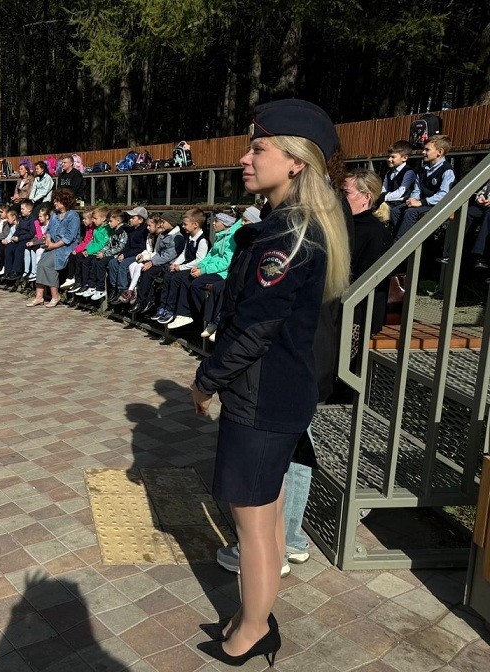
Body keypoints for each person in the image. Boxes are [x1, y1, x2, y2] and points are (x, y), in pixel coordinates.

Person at [193, 99, 349, 667]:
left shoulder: (288, 235)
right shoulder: (291, 226)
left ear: (296, 162)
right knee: (270, 512)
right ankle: (251, 615)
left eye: (258, 148)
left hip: (261, 398)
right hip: (280, 393)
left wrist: (205, 380)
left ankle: (253, 630)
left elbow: (254, 329)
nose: (245, 157)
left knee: (253, 526)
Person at [343, 169, 393, 349]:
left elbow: (362, 282)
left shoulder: (375, 233)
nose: (340, 198)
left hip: (357, 318)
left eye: (346, 193)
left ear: (366, 197)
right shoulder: (346, 225)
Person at [167, 212, 241, 330]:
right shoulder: (220, 235)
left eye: (216, 221)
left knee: (197, 285)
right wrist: (199, 266)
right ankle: (185, 314)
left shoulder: (231, 238)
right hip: (211, 269)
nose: (213, 223)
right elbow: (210, 256)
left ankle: (207, 317)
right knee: (186, 278)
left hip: (222, 273)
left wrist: (203, 270)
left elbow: (226, 263)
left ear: (226, 223)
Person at [151, 208, 209, 322]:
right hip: (186, 266)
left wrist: (180, 267)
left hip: (194, 268)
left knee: (176, 278)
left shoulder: (202, 240)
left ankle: (171, 309)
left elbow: (199, 260)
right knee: (168, 274)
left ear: (195, 225)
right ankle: (163, 306)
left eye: (185, 224)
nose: (183, 226)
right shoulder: (189, 237)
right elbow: (184, 254)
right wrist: (175, 264)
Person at [394, 134, 455, 241]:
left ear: (439, 152)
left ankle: (400, 243)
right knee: (396, 210)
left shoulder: (447, 170)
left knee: (410, 213)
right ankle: (399, 237)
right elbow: (417, 189)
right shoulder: (423, 169)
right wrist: (414, 198)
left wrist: (422, 202)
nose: (423, 152)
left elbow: (443, 195)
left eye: (427, 149)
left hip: (437, 204)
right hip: (423, 202)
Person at [26, 189, 80, 307]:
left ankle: (55, 296)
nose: (54, 203)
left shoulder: (73, 216)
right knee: (40, 264)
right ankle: (39, 297)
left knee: (49, 265)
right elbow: (49, 230)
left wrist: (53, 245)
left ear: (64, 202)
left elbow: (69, 238)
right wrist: (49, 240)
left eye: (57, 201)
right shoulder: (55, 214)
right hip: (53, 245)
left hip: (65, 248)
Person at [131, 215, 185, 314]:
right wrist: (151, 261)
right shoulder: (164, 234)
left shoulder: (177, 237)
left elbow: (169, 255)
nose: (161, 224)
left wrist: (152, 262)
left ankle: (144, 300)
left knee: (148, 272)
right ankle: (145, 300)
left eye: (163, 222)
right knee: (144, 270)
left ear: (171, 223)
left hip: (169, 263)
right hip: (160, 261)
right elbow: (159, 252)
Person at [107, 207, 150, 301]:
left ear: (140, 220)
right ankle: (115, 288)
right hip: (129, 253)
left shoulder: (144, 231)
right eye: (130, 217)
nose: (130, 219)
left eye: (133, 218)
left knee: (123, 264)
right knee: (113, 263)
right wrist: (122, 254)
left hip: (138, 255)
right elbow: (127, 245)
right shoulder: (131, 230)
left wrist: (126, 256)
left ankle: (123, 290)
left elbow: (141, 248)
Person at [379, 140, 415, 229]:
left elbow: (401, 192)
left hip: (401, 202)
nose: (389, 159)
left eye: (393, 157)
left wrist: (383, 197)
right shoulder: (389, 173)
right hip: (390, 201)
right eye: (388, 157)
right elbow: (384, 188)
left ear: (404, 158)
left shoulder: (408, 172)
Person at [4, 200, 36, 280]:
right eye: (21, 209)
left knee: (19, 249)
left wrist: (19, 238)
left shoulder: (33, 220)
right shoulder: (22, 219)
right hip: (19, 239)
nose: (21, 211)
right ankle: (8, 271)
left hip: (27, 239)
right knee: (9, 248)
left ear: (29, 210)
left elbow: (31, 233)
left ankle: (16, 271)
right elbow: (18, 230)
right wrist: (14, 236)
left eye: (23, 209)